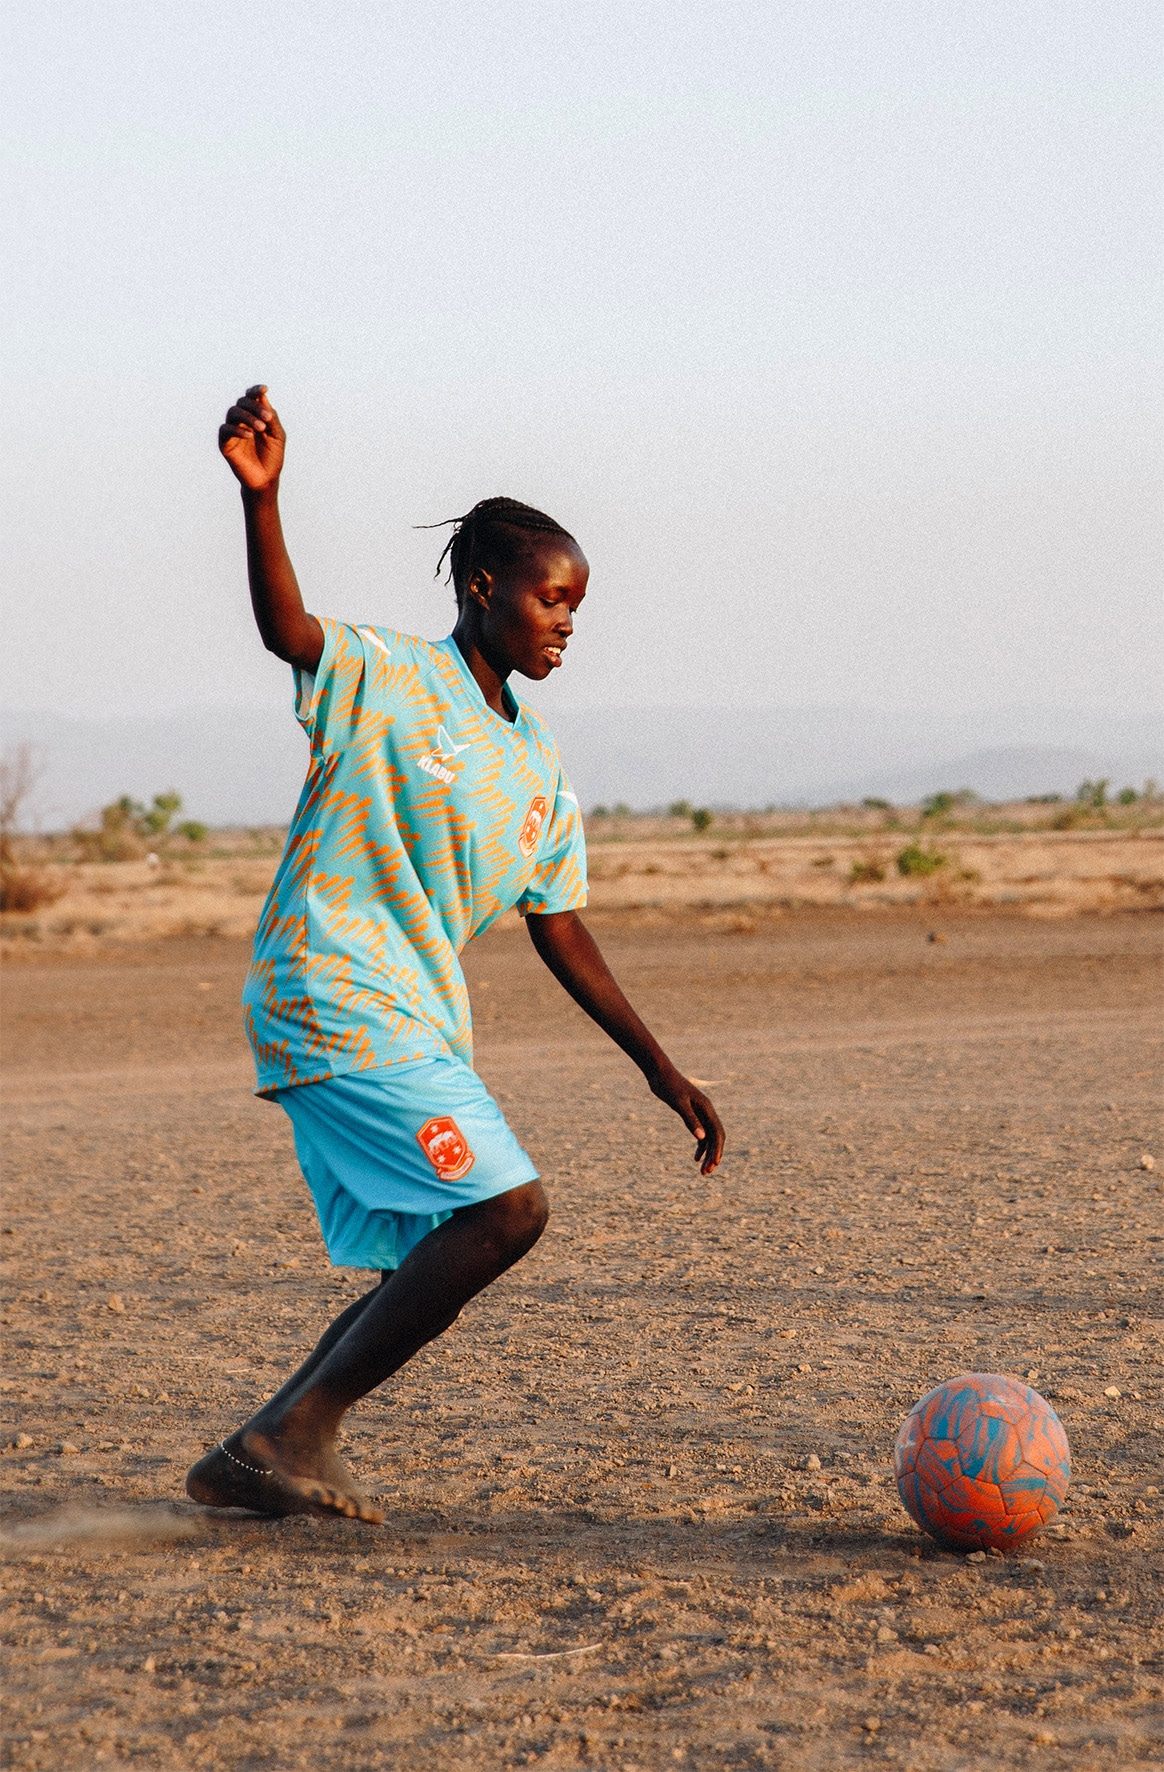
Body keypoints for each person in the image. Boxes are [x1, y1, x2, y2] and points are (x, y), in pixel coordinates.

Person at [186, 386, 725, 1523]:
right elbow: (289, 630)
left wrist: (659, 1068)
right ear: (483, 588)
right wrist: (265, 500)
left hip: (412, 1019)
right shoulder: (386, 677)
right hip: (329, 989)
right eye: (550, 595)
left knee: (432, 1251)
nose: (567, 619)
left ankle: (261, 1445)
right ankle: (296, 1427)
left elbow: (559, 919)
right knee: (506, 1212)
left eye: (578, 604)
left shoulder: (538, 768)